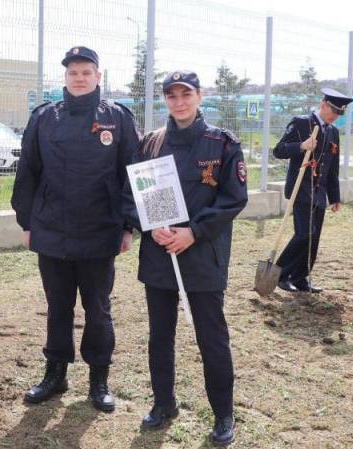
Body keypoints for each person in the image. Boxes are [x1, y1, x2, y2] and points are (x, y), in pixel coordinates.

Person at [11, 46, 139, 412]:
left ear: (98, 76)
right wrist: (27, 222)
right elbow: (28, 172)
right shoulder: (44, 117)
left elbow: (131, 173)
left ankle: (99, 379)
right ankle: (55, 373)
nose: (79, 78)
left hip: (101, 231)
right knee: (58, 307)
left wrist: (128, 226)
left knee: (98, 309)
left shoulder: (118, 119)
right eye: (73, 73)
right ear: (65, 77)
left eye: (86, 72)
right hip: (52, 230)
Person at [123, 70, 247, 446]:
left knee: (212, 338)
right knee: (160, 336)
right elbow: (131, 194)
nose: (179, 102)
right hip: (160, 254)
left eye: (186, 94)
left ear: (199, 96)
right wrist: (149, 226)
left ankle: (223, 413)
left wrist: (193, 232)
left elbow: (233, 199)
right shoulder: (151, 144)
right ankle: (164, 404)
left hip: (203, 255)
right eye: (172, 95)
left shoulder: (222, 144)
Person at [273, 88, 353, 293]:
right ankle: (280, 274)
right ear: (323, 105)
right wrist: (301, 146)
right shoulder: (301, 123)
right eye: (334, 110)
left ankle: (300, 278)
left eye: (340, 113)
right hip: (300, 189)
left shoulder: (333, 131)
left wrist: (334, 197)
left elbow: (332, 167)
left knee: (314, 238)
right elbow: (279, 150)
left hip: (319, 193)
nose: (336, 116)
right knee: (305, 234)